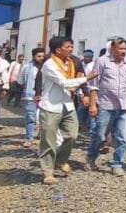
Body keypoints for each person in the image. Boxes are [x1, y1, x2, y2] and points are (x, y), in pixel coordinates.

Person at [37, 37, 97, 185]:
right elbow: (64, 82)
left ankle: (60, 159)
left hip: (68, 105)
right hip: (51, 106)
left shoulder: (70, 63)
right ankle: (48, 172)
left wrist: (83, 91)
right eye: (68, 47)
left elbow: (76, 78)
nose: (71, 49)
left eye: (72, 46)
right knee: (49, 141)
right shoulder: (49, 65)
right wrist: (86, 78)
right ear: (58, 50)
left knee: (72, 135)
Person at [86, 37, 126, 176]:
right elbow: (94, 85)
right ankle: (91, 157)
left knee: (122, 136)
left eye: (125, 49)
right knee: (100, 134)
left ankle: (117, 164)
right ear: (113, 49)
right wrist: (92, 105)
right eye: (120, 49)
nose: (123, 51)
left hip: (124, 106)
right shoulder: (102, 61)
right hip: (106, 105)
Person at [19, 48, 45, 149]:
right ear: (33, 56)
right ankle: (29, 139)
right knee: (30, 117)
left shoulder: (47, 67)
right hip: (30, 96)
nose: (41, 58)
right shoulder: (26, 67)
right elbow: (20, 81)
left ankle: (42, 135)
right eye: (39, 56)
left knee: (44, 117)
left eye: (43, 56)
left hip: (45, 96)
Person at [76, 50, 96, 132]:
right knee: (81, 110)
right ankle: (79, 127)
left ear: (91, 57)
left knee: (91, 111)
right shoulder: (82, 65)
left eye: (88, 57)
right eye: (85, 57)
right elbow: (80, 79)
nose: (86, 58)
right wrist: (80, 93)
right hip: (82, 92)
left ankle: (91, 130)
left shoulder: (93, 66)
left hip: (91, 91)